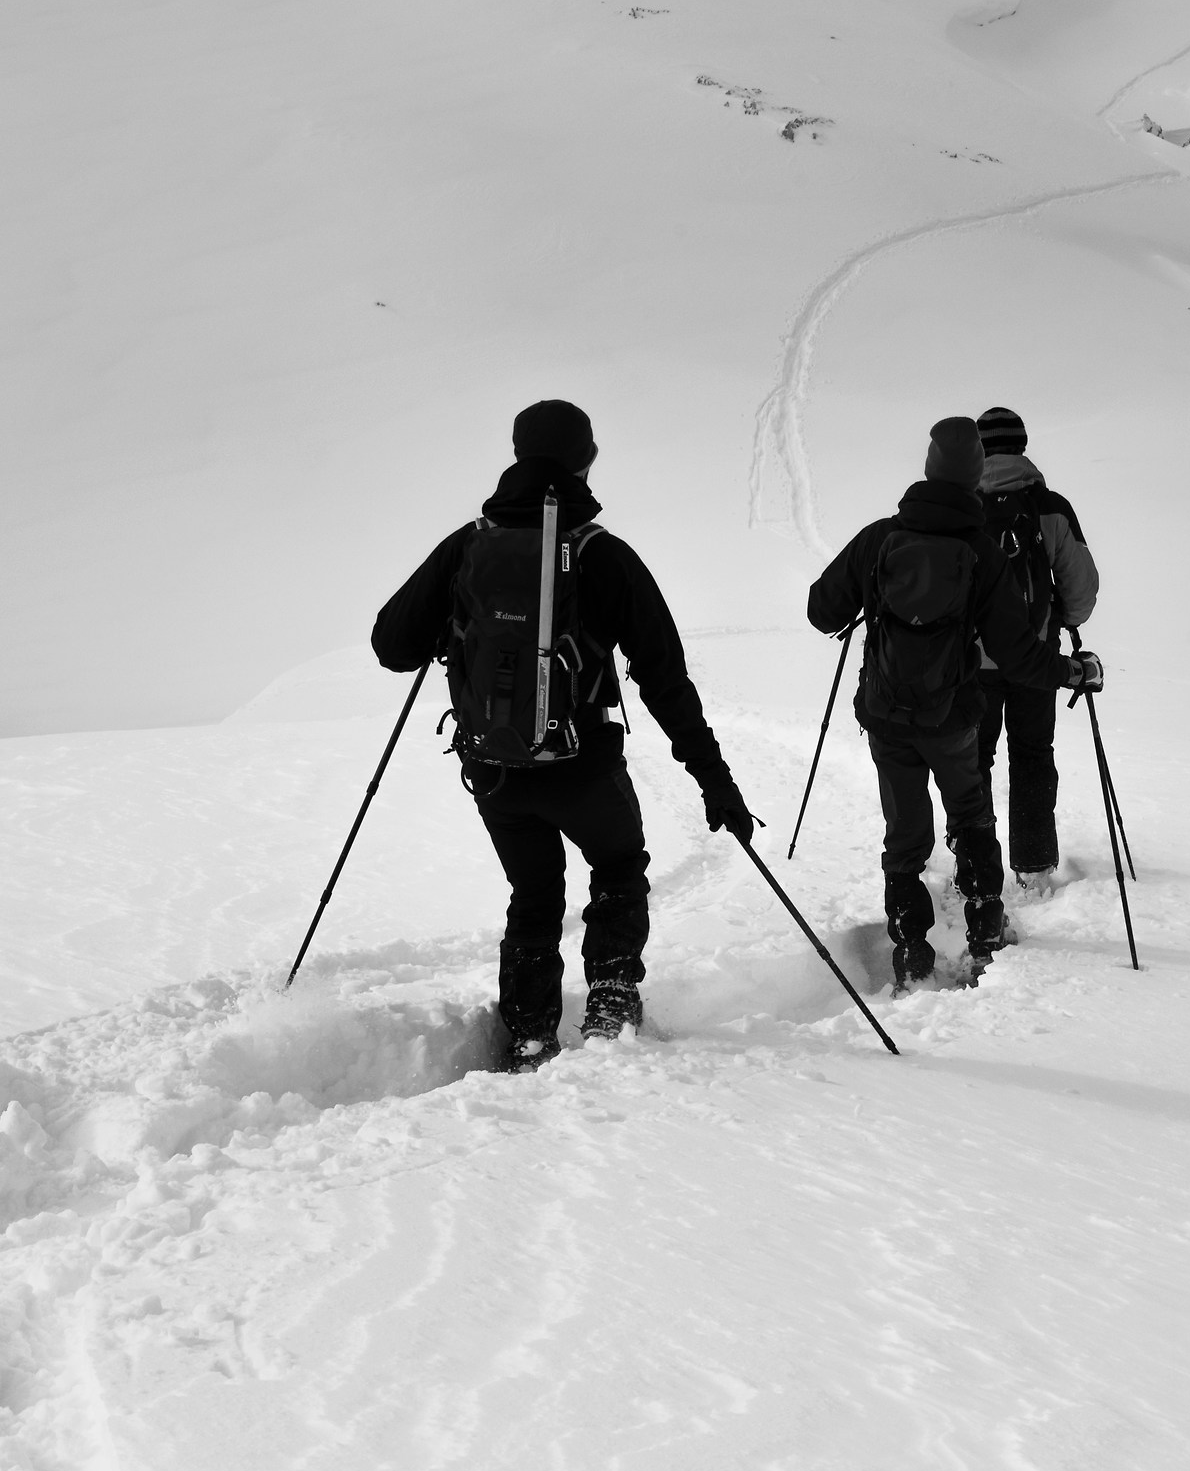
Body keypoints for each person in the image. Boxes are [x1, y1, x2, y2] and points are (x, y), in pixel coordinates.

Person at [371, 400, 755, 1071]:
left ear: (517, 455)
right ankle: (610, 1002)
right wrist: (714, 780)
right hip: (583, 765)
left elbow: (390, 645)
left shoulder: (469, 545)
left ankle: (527, 1035)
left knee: (535, 892)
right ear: (587, 459)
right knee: (617, 863)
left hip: (494, 768)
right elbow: (664, 679)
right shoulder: (603, 553)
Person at [805, 417, 1103, 990]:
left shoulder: (878, 538)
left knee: (904, 830)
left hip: (887, 712)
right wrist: (1071, 671)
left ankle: (911, 952)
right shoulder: (980, 553)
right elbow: (1018, 656)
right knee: (970, 815)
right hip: (953, 715)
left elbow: (822, 612)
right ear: (971, 479)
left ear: (927, 468)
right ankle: (985, 936)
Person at [973, 405, 1100, 885]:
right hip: (1036, 659)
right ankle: (1033, 864)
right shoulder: (1050, 507)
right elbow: (1081, 585)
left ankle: (976, 862)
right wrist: (1061, 621)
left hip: (972, 662)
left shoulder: (962, 508)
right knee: (1031, 753)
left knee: (974, 759)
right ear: (1023, 446)